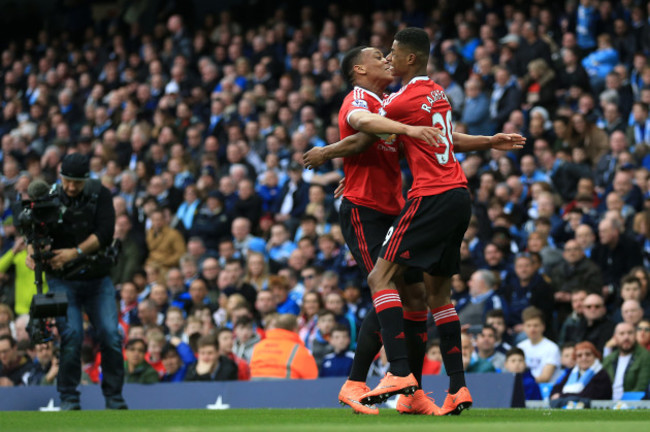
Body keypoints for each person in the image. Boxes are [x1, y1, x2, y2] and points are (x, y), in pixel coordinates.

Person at [303, 36, 523, 416]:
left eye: (389, 54)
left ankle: (412, 389)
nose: (386, 59)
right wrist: (331, 154)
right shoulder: (366, 99)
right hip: (365, 208)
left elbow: (431, 137)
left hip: (401, 204)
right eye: (377, 56)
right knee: (384, 281)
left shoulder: (397, 102)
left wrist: (485, 141)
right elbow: (362, 127)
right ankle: (364, 380)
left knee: (416, 295)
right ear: (359, 70)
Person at [26, 154, 127, 410]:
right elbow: (33, 230)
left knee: (111, 336)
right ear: (61, 177)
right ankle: (69, 398)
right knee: (71, 336)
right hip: (61, 281)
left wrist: (75, 252)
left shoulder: (100, 194)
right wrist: (32, 252)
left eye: (76, 183)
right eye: (67, 181)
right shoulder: (46, 196)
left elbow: (105, 233)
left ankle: (114, 397)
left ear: (86, 179)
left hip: (96, 279)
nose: (71, 188)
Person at [249, 313, 318, 380]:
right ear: (295, 329)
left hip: (255, 389)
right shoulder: (299, 351)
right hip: (287, 390)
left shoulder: (257, 346)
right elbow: (312, 380)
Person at [550, 341, 612, 407]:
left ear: (595, 356)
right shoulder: (572, 372)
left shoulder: (601, 374)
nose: (584, 358)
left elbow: (588, 396)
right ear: (575, 359)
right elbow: (555, 391)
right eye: (579, 355)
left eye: (588, 354)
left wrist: (562, 396)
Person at [602, 322, 650, 400]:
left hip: (631, 404)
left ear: (635, 336)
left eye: (630, 333)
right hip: (608, 402)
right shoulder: (609, 359)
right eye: (622, 334)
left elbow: (641, 387)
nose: (626, 337)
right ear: (615, 337)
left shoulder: (645, 356)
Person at [517, 306, 561, 383]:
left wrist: (521, 382)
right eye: (528, 326)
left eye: (536, 325)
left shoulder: (552, 348)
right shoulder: (520, 347)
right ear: (524, 327)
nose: (532, 329)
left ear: (543, 327)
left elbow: (545, 377)